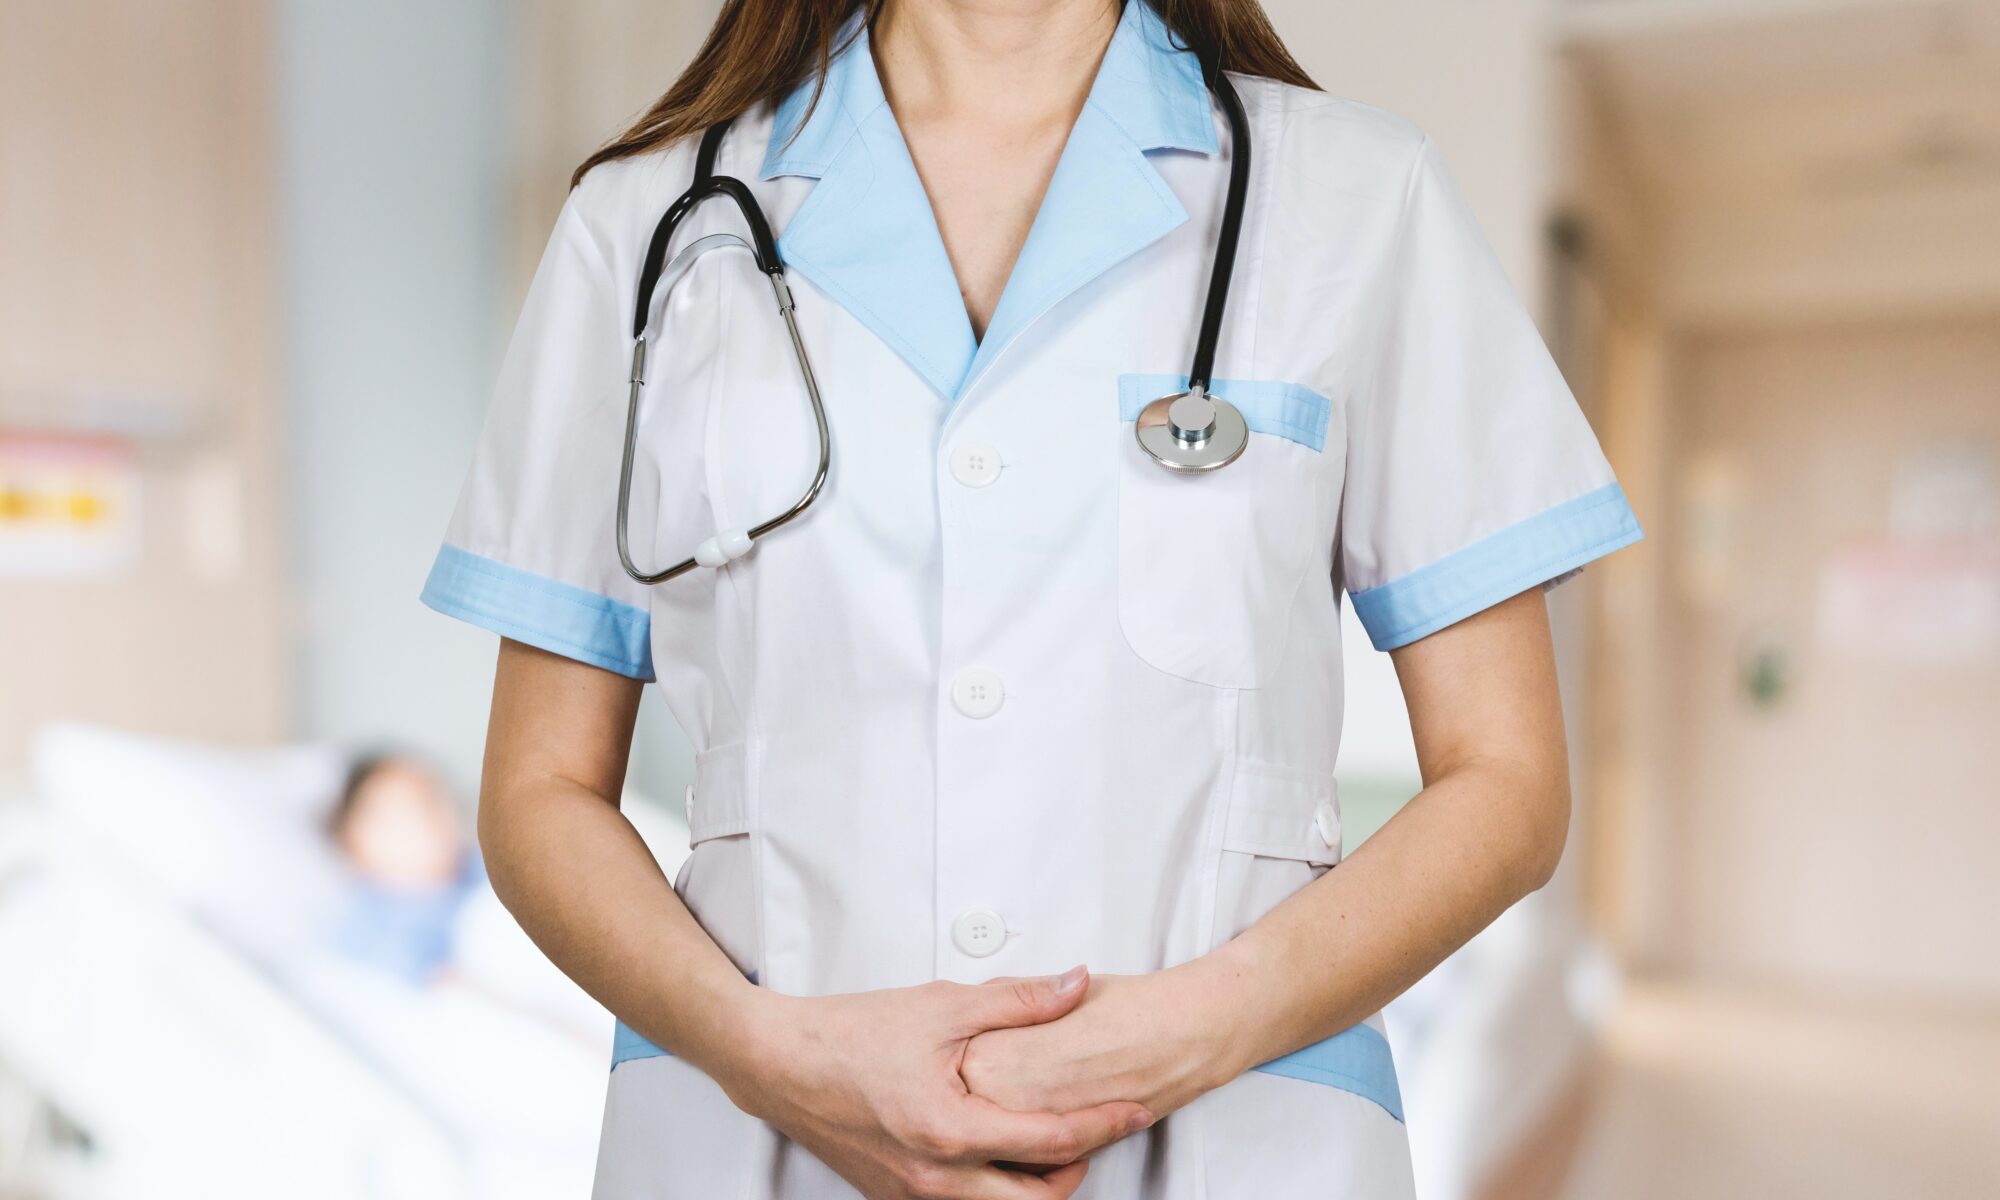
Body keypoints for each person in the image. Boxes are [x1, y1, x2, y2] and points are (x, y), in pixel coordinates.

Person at [420, 1, 1643, 1196]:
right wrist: (770, 1059)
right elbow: (539, 796)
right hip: (761, 1141)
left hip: (1237, 1134)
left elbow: (1506, 785)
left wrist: (1185, 1034)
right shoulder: (644, 224)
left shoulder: (1357, 199)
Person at [325, 753, 482, 985]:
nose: (443, 816)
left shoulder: (482, 874)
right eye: (417, 807)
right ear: (354, 839)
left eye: (441, 800)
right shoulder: (371, 928)